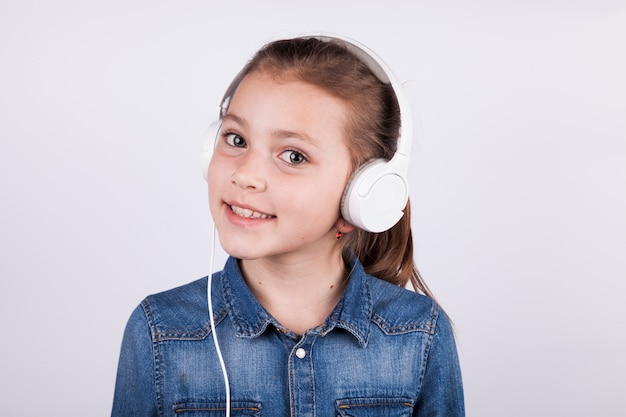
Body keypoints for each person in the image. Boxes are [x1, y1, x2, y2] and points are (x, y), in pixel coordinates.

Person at [111, 35, 464, 417]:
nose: (246, 175)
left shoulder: (420, 333)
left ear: (363, 194)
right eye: (236, 138)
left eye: (293, 156)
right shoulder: (160, 331)